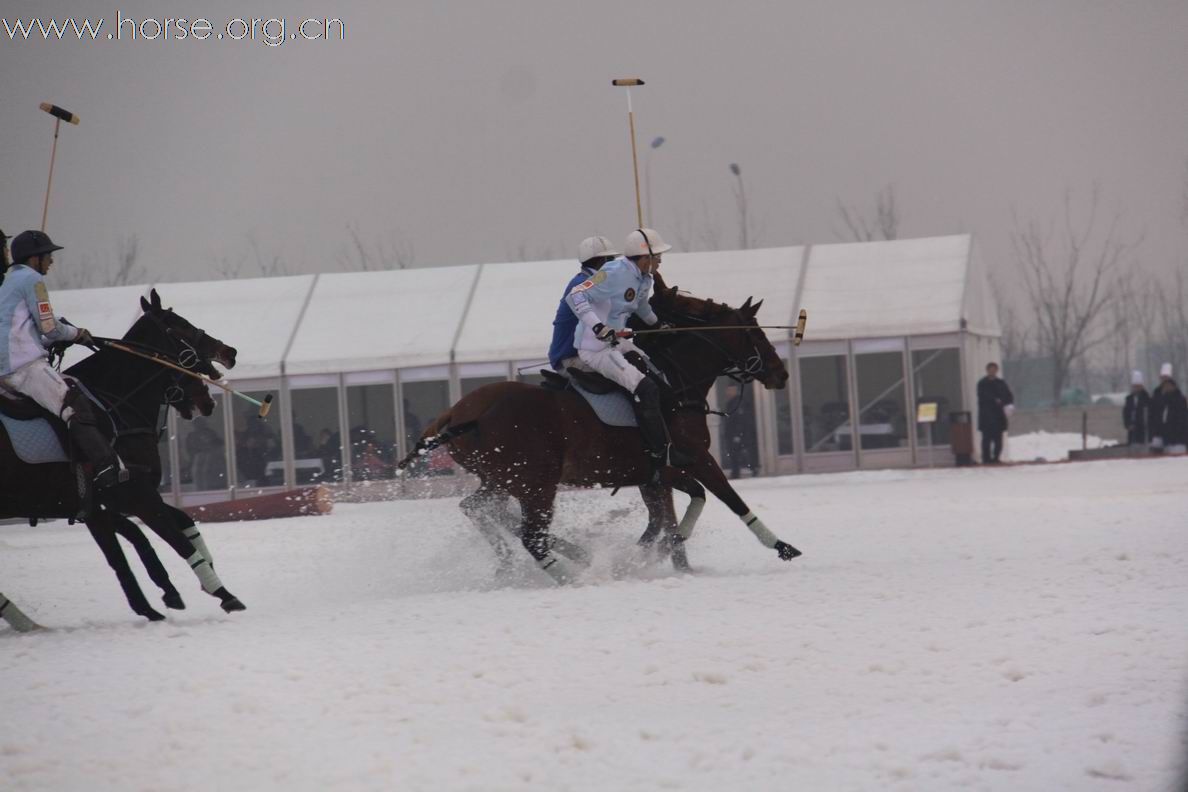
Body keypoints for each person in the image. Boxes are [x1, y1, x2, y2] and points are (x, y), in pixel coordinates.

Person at [0, 230, 126, 488]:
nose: (51, 262)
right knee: (73, 404)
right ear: (34, 259)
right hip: (24, 366)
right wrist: (76, 333)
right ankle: (105, 467)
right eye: (48, 256)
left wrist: (54, 338)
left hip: (6, 368)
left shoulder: (7, 282)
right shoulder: (32, 279)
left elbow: (26, 331)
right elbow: (49, 327)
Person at [565, 228, 682, 482]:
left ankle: (666, 442)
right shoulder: (612, 273)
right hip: (595, 349)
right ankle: (658, 455)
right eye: (657, 256)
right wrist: (598, 326)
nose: (660, 260)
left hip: (618, 343)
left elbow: (641, 306)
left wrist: (657, 325)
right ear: (644, 256)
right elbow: (575, 297)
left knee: (661, 381)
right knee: (646, 389)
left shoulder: (644, 278)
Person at [548, 236, 619, 374]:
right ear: (602, 261)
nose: (614, 265)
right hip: (571, 358)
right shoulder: (582, 284)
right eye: (611, 260)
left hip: (587, 354)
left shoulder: (593, 282)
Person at [976, 361, 1014, 464]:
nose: (992, 371)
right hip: (986, 416)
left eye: (994, 369)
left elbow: (1008, 396)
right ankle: (986, 459)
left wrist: (1009, 404)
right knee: (986, 439)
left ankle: (996, 458)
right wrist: (994, 400)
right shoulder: (982, 383)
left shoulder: (1001, 383)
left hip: (999, 416)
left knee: (998, 439)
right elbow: (983, 397)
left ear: (997, 370)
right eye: (990, 369)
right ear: (987, 370)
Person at [1150, 364, 1187, 454]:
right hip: (1161, 432)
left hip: (1176, 436)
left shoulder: (1178, 398)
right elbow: (1154, 413)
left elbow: (1181, 418)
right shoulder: (1157, 393)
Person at [1122, 370, 1150, 446]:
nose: (1136, 388)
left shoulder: (1146, 399)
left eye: (1138, 386)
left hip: (1143, 433)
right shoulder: (1129, 399)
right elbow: (1126, 413)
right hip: (1132, 433)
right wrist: (1128, 425)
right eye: (1135, 386)